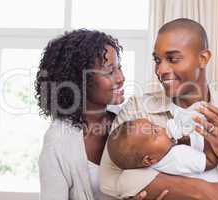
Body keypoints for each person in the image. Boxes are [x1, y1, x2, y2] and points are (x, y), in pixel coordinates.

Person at [100, 18, 218, 200]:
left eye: (173, 59)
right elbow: (109, 181)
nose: (161, 70)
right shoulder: (138, 110)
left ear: (203, 59)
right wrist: (203, 191)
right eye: (157, 60)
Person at [36, 29, 167, 200]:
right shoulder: (58, 142)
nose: (121, 78)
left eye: (119, 68)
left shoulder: (130, 119)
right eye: (109, 71)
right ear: (79, 81)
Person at [107, 118, 218, 200]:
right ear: (149, 160)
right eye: (155, 132)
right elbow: (210, 161)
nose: (161, 129)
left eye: (155, 126)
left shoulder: (155, 168)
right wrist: (207, 134)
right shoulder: (175, 157)